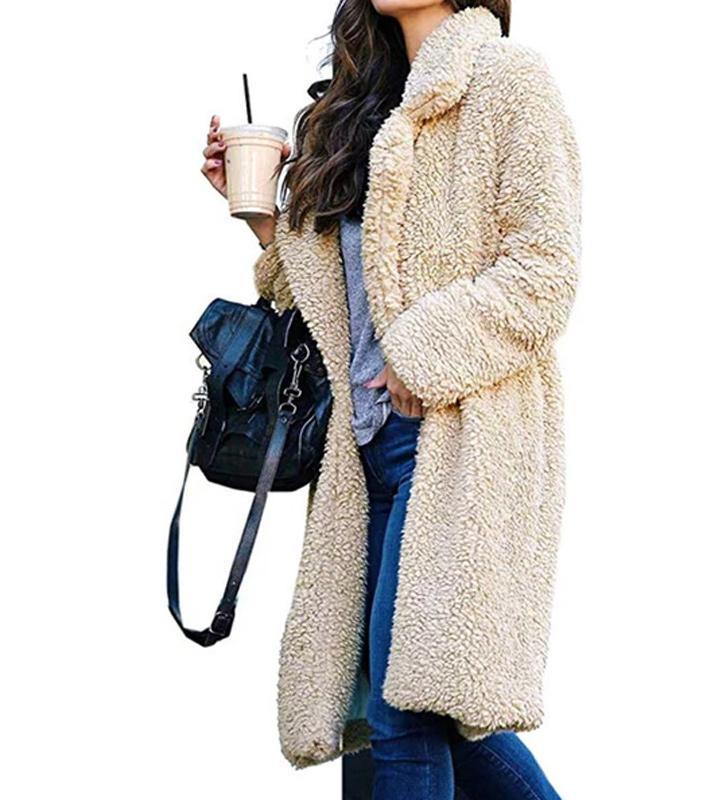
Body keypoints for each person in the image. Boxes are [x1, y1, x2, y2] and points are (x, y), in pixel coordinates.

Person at [201, 2, 581, 798]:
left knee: (405, 711)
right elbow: (334, 309)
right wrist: (266, 221)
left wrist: (423, 353)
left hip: (456, 443)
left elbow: (545, 271)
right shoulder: (361, 108)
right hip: (363, 450)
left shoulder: (507, 81)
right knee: (397, 711)